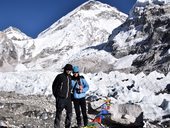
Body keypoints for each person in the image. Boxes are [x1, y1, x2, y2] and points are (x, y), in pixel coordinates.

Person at [52, 64, 73, 128]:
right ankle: (56, 126)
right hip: (60, 99)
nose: (69, 71)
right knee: (58, 114)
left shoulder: (70, 77)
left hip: (68, 99)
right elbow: (54, 86)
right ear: (65, 70)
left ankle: (67, 126)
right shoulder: (60, 76)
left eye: (70, 70)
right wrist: (57, 96)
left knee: (69, 114)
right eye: (68, 70)